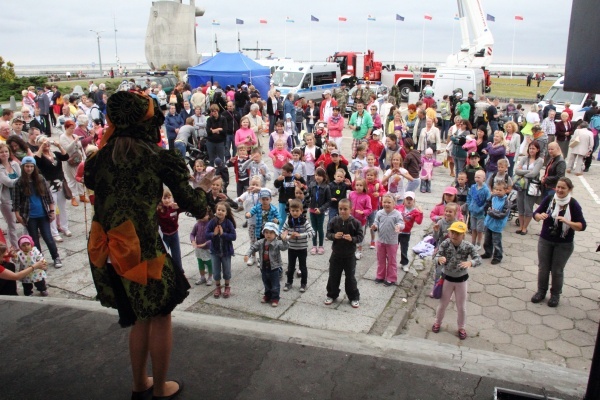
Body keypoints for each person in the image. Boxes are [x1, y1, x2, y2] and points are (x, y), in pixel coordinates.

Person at [84, 91, 214, 399]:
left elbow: (116, 196)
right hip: (142, 251)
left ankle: (139, 382)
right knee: (159, 314)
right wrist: (203, 188)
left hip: (108, 249)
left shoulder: (97, 159)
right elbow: (194, 205)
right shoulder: (156, 157)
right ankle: (159, 388)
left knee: (140, 316)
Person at [532, 178, 586, 307]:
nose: (560, 190)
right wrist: (539, 216)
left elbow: (582, 225)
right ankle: (541, 291)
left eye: (563, 188)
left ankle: (555, 295)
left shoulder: (573, 204)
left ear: (569, 190)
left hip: (564, 243)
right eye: (558, 187)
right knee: (543, 268)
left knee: (557, 270)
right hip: (546, 239)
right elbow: (536, 213)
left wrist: (568, 222)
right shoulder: (551, 199)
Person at [431, 221, 481, 340]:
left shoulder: (468, 246)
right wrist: (439, 259)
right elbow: (435, 256)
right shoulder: (445, 243)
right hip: (447, 279)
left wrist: (470, 262)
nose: (454, 235)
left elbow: (478, 259)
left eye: (458, 233)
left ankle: (461, 327)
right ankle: (437, 322)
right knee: (443, 304)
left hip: (461, 280)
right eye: (452, 232)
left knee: (461, 306)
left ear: (463, 234)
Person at [13, 156, 62, 269]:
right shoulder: (19, 182)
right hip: (29, 216)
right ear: (23, 167)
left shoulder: (40, 179)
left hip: (43, 213)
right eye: (27, 166)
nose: (29, 169)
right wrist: (17, 215)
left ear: (34, 167)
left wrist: (52, 210)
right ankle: (40, 260)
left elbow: (49, 197)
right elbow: (15, 202)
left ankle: (56, 257)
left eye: (31, 166)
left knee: (48, 237)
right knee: (34, 240)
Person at [324, 198, 363, 308]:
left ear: (351, 209)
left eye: (345, 209)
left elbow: (360, 237)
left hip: (350, 256)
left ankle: (354, 297)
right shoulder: (334, 220)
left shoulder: (355, 223)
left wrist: (352, 239)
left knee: (350, 278)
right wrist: (333, 236)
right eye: (340, 209)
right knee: (333, 276)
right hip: (336, 254)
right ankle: (331, 294)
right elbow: (328, 233)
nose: (342, 211)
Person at [34, 135, 71, 242]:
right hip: (49, 184)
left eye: (47, 142)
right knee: (52, 208)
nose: (46, 144)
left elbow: (66, 157)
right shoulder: (40, 156)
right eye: (43, 142)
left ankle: (65, 227)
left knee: (63, 206)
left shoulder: (55, 154)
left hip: (60, 182)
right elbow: (37, 160)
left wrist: (59, 145)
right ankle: (54, 232)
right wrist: (41, 146)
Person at [245, 222, 289, 307]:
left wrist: (284, 240)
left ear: (276, 234)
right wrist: (248, 254)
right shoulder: (261, 242)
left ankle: (275, 298)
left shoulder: (277, 243)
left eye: (271, 232)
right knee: (266, 282)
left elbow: (284, 247)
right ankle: (267, 295)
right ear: (263, 233)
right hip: (264, 267)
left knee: (275, 284)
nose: (268, 234)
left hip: (274, 268)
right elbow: (253, 247)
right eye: (266, 232)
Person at [206, 201, 237, 300]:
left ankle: (227, 287)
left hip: (226, 251)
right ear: (216, 210)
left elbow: (233, 236)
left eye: (223, 210)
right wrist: (213, 234)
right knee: (216, 271)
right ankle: (218, 287)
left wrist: (223, 234)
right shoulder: (212, 222)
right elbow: (206, 234)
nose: (220, 212)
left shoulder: (228, 223)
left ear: (226, 213)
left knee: (227, 271)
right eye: (219, 210)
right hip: (214, 251)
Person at [282, 199, 314, 292]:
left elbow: (312, 233)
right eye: (292, 211)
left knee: (303, 267)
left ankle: (303, 283)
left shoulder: (304, 221)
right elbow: (282, 232)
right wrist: (288, 237)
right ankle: (289, 282)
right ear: (290, 211)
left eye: (297, 211)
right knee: (291, 266)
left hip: (302, 248)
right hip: (291, 248)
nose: (295, 213)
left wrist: (301, 235)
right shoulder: (288, 221)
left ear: (301, 211)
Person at [372, 194, 404, 286]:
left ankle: (391, 278)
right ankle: (380, 276)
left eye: (389, 202)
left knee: (391, 260)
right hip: (381, 240)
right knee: (380, 259)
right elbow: (376, 222)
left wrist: (399, 226)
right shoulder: (379, 213)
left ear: (394, 204)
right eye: (384, 202)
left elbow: (402, 223)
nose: (386, 204)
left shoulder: (397, 214)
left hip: (392, 242)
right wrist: (375, 226)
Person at [482, 182, 511, 264]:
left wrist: (491, 213)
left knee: (496, 242)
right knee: (487, 240)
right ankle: (488, 253)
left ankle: (497, 257)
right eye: (496, 189)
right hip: (489, 223)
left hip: (497, 225)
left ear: (505, 190)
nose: (498, 191)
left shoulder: (506, 202)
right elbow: (487, 205)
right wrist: (487, 211)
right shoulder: (493, 197)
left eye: (500, 190)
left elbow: (503, 214)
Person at [395, 192, 423, 271]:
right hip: (396, 232)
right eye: (407, 199)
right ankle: (391, 262)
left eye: (411, 199)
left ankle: (404, 263)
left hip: (406, 233)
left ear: (414, 201)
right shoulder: (399, 207)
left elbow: (418, 222)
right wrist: (394, 200)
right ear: (404, 200)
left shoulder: (415, 211)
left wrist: (421, 213)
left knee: (404, 249)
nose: (409, 201)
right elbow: (392, 211)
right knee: (393, 247)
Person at [0, 143, 21, 248]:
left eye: (6, 151)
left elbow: (21, 179)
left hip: (19, 197)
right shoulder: (0, 168)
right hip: (6, 200)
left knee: (25, 220)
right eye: (1, 152)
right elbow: (8, 182)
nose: (4, 154)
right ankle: (16, 248)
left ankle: (26, 243)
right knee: (12, 224)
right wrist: (20, 180)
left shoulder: (14, 164)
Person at [274, 163, 306, 230]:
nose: (282, 172)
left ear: (289, 172)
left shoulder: (295, 178)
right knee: (281, 218)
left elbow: (304, 184)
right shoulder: (282, 178)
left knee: (293, 217)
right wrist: (278, 180)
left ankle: (292, 230)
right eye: (282, 171)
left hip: (293, 202)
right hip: (282, 201)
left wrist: (300, 178)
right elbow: (276, 185)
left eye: (284, 172)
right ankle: (280, 232)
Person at [308, 168, 331, 255]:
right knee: (313, 228)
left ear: (324, 177)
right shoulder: (312, 185)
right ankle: (314, 245)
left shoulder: (326, 187)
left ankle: (321, 246)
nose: (317, 177)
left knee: (320, 228)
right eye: (316, 175)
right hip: (312, 210)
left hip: (320, 211)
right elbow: (307, 195)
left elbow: (328, 201)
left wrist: (321, 209)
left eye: (320, 175)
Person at [348, 178, 372, 260]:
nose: (358, 187)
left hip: (361, 220)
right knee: (351, 233)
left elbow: (369, 209)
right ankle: (352, 249)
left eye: (360, 185)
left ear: (364, 187)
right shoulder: (351, 194)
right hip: (351, 219)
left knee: (359, 235)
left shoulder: (366, 197)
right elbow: (348, 203)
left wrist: (363, 212)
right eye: (357, 185)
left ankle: (359, 251)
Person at [467, 170, 491, 251]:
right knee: (473, 228)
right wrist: (469, 205)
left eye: (479, 177)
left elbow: (488, 201)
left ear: (484, 178)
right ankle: (473, 242)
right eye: (475, 177)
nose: (476, 179)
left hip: (481, 214)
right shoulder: (473, 187)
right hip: (472, 212)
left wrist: (482, 208)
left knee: (479, 230)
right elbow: (469, 196)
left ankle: (478, 244)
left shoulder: (486, 189)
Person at [190, 211, 213, 286]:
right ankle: (202, 277)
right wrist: (193, 241)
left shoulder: (211, 225)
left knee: (209, 263)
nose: (203, 217)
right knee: (200, 263)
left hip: (207, 249)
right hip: (198, 248)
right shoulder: (197, 224)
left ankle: (210, 277)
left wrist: (205, 244)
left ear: (209, 215)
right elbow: (192, 234)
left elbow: (213, 238)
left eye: (205, 215)